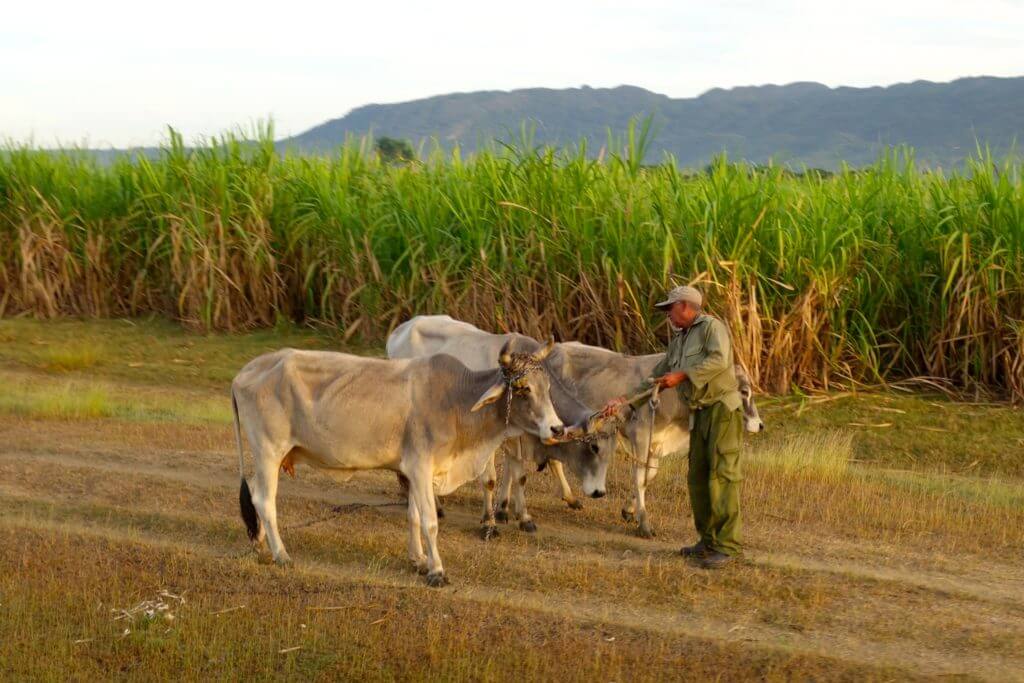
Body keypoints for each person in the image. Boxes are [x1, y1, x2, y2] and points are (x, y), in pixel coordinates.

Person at [603, 285, 744, 569]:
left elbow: (719, 360)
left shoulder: (711, 328)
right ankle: (706, 541)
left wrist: (682, 375)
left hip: (722, 410)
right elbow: (655, 377)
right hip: (699, 412)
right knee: (697, 478)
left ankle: (726, 546)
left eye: (670, 309)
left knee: (722, 475)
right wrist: (625, 403)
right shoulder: (679, 340)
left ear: (685, 306)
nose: (668, 315)